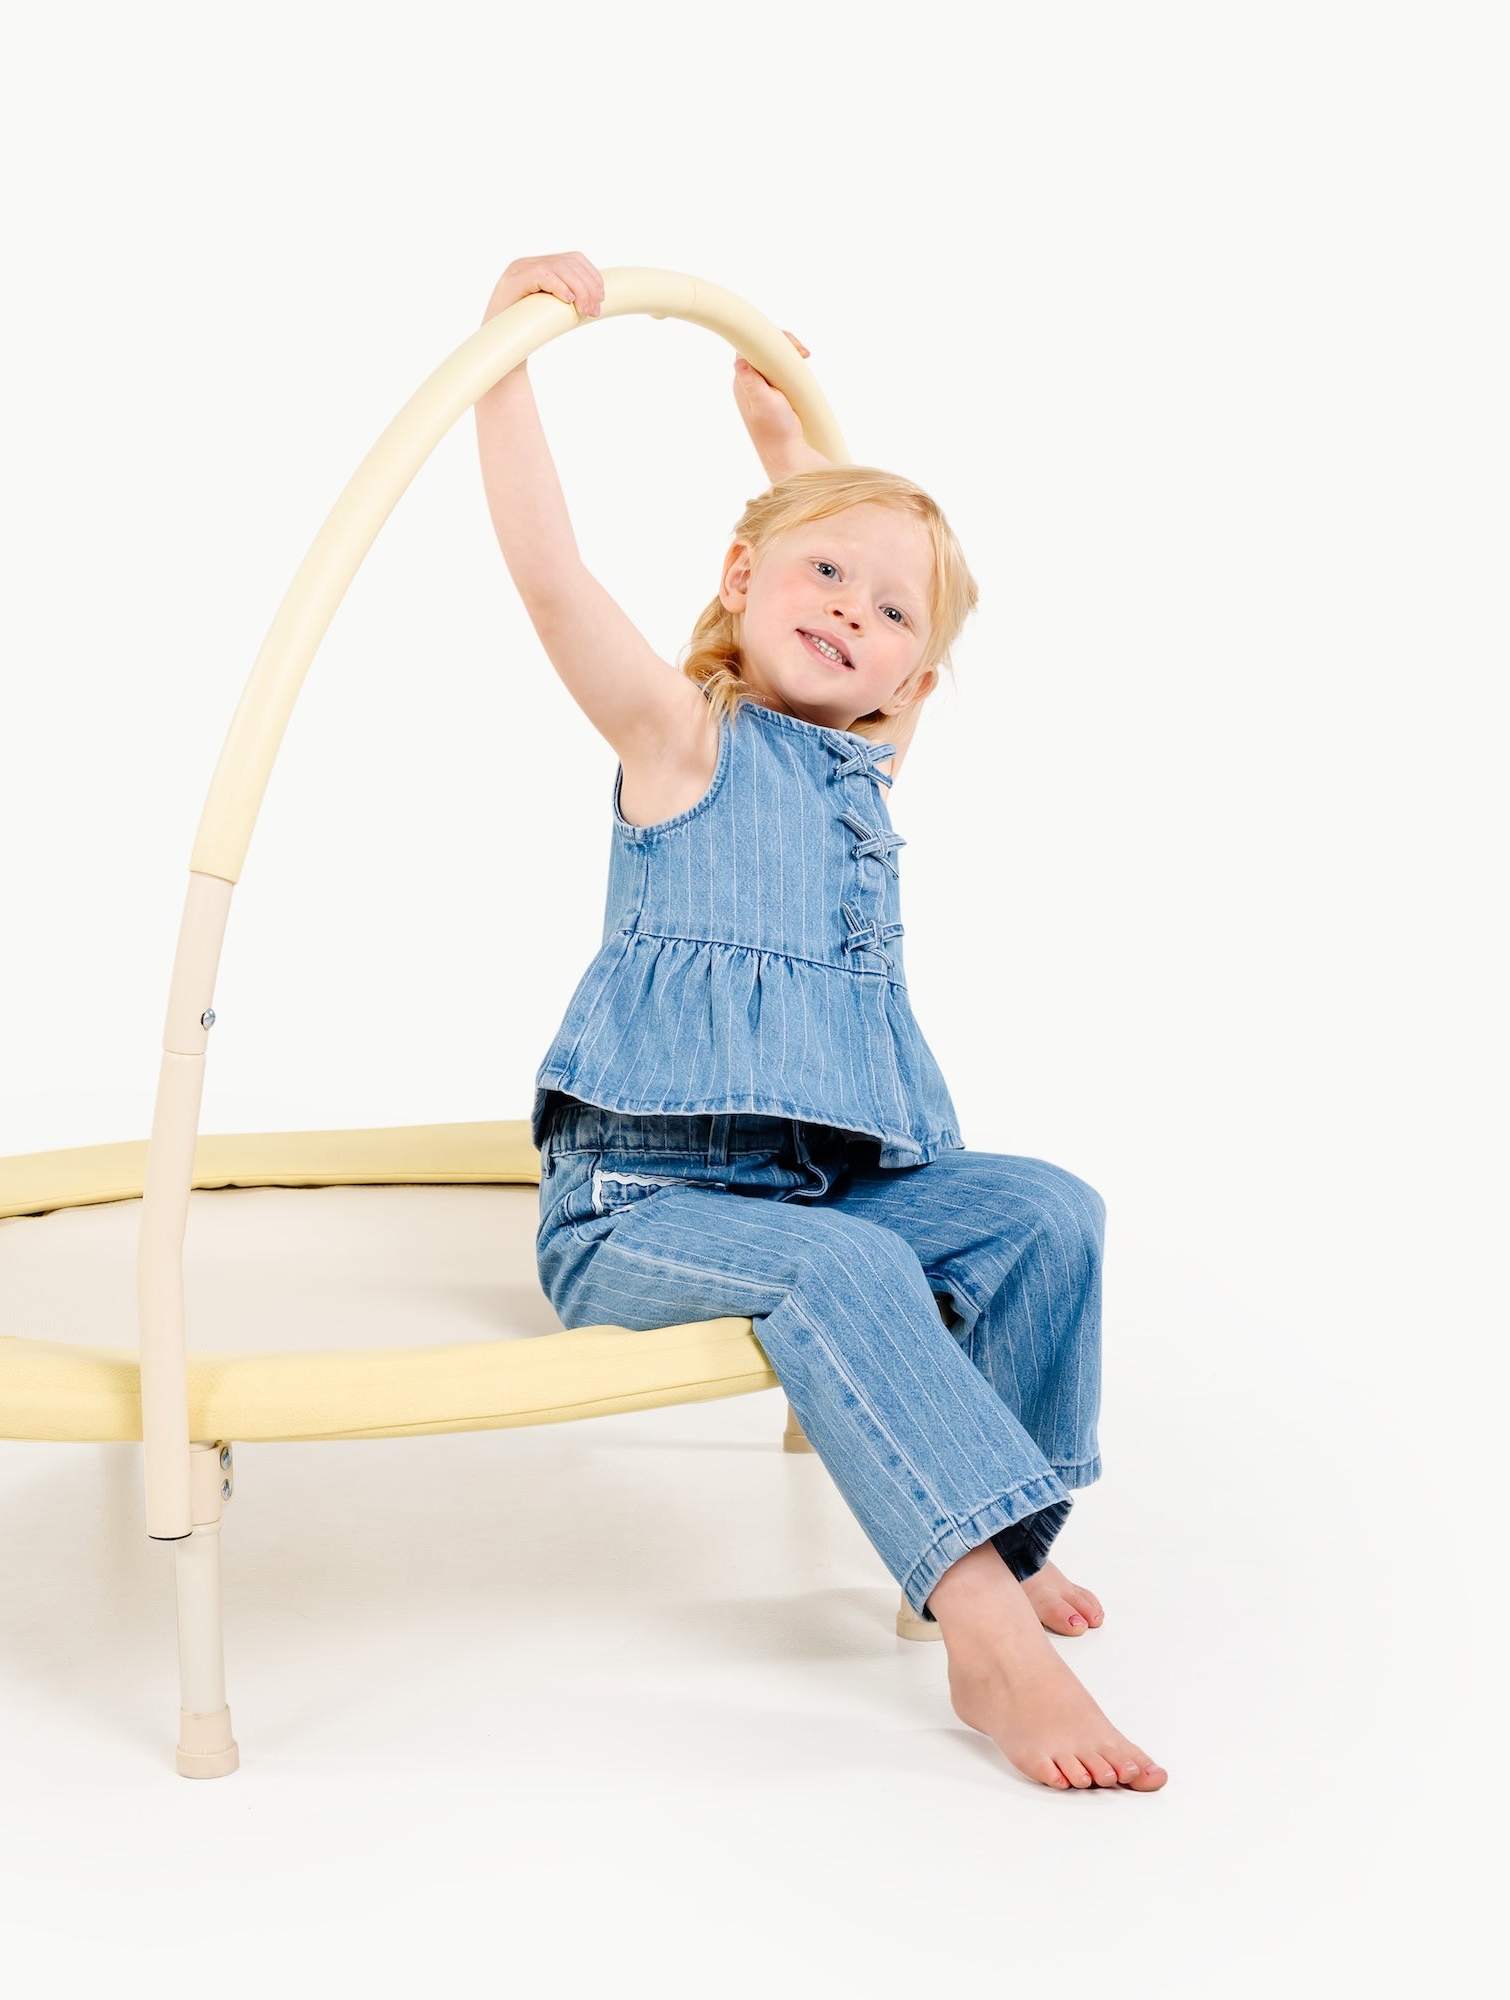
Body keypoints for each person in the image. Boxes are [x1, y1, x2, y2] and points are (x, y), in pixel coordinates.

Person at [475, 252, 1167, 1792]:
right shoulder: (679, 737)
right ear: (740, 582)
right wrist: (502, 362)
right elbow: (550, 577)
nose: (852, 610)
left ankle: (1005, 1529)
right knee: (851, 1267)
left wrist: (785, 442)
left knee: (1049, 1214)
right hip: (643, 1209)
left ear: (913, 677)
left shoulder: (867, 772)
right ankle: (986, 1633)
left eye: (892, 610)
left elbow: (849, 585)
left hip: (821, 1191)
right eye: (821, 574)